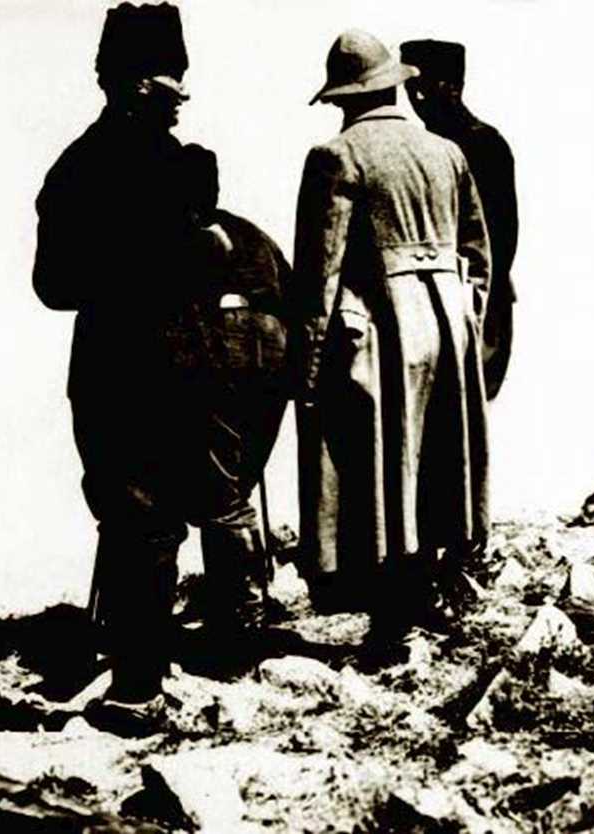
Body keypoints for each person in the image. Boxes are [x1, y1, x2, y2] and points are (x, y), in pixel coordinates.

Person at [292, 30, 491, 654]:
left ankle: (393, 615)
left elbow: (320, 272)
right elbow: (478, 254)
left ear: (344, 97)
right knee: (438, 458)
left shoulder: (335, 156)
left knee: (377, 465)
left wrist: (308, 365)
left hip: (380, 328)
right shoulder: (445, 151)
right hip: (448, 324)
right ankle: (429, 591)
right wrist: (465, 318)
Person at [31, 2, 198, 729]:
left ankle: (132, 669)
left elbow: (53, 287)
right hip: (156, 360)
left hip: (107, 361)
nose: (181, 96)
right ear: (135, 85)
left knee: (128, 514)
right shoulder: (172, 167)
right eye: (170, 83)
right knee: (150, 521)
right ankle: (137, 686)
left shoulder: (74, 167)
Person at [166, 144, 291, 635]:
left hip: (221, 359)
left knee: (220, 490)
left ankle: (241, 613)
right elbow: (293, 295)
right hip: (273, 361)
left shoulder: (186, 236)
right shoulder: (252, 233)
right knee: (238, 483)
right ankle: (242, 600)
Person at [401, 39, 519, 400]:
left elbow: (502, 239)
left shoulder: (483, 144)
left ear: (452, 86)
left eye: (423, 87)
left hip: (475, 302)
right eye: (410, 88)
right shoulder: (429, 146)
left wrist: (478, 304)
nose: (416, 98)